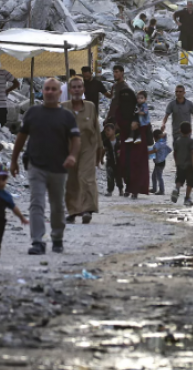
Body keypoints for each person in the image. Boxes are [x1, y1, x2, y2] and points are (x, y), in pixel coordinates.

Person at [10, 78, 81, 255]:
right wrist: (13, 160)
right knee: (37, 203)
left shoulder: (67, 116)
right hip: (36, 166)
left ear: (59, 93)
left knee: (57, 205)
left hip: (59, 167)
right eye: (47, 89)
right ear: (43, 91)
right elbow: (21, 137)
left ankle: (57, 237)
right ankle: (37, 241)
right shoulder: (33, 113)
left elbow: (76, 139)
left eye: (53, 89)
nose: (49, 92)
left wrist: (72, 156)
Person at [62, 76, 101, 225]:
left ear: (83, 89)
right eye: (74, 87)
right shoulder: (64, 107)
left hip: (87, 147)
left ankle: (87, 210)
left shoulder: (90, 106)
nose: (77, 90)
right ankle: (73, 211)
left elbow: (96, 129)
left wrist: (100, 150)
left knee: (86, 176)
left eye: (80, 87)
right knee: (71, 180)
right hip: (69, 148)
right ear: (70, 90)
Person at [170, 122, 193, 205]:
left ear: (180, 130)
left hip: (180, 164)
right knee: (190, 182)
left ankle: (177, 189)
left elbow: (175, 153)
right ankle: (187, 198)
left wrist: (176, 162)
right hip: (189, 165)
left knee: (179, 179)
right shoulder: (191, 141)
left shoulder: (177, 141)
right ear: (190, 131)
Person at [101, 122, 123, 197]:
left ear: (113, 131)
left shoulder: (119, 140)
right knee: (110, 177)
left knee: (118, 176)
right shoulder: (106, 142)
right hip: (110, 162)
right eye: (105, 131)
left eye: (108, 130)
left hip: (118, 162)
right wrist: (101, 159)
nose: (106, 132)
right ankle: (110, 190)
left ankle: (121, 190)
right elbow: (103, 150)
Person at [150, 129, 171, 195]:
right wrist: (161, 135)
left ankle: (161, 191)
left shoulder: (157, 144)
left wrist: (147, 152)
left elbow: (155, 150)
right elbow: (165, 134)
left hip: (159, 163)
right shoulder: (163, 141)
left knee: (159, 176)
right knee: (154, 176)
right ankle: (154, 189)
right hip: (161, 162)